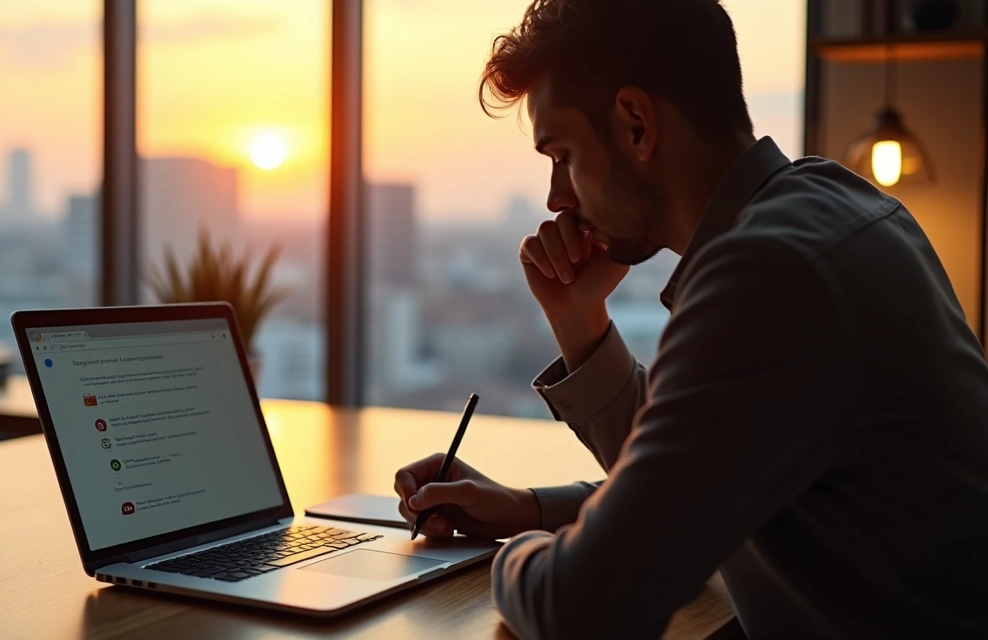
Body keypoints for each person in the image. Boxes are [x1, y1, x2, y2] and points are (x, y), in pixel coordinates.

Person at [392, 0, 988, 637]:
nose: (556, 197)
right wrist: (530, 506)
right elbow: (704, 490)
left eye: (562, 154)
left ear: (637, 124)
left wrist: (515, 558)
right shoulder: (827, 205)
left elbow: (588, 606)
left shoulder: (768, 273)